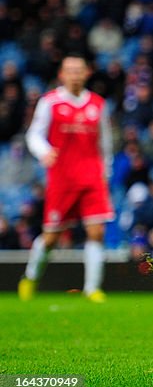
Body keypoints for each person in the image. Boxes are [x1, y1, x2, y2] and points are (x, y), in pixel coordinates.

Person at [20, 54, 114, 303]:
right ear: (61, 74)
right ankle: (30, 277)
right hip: (62, 178)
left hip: (92, 177)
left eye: (79, 70)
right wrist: (44, 152)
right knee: (51, 237)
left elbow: (105, 142)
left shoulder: (98, 104)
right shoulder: (50, 102)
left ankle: (92, 288)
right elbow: (34, 135)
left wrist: (106, 171)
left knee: (96, 233)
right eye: (70, 70)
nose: (75, 74)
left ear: (87, 73)